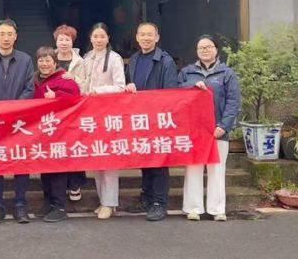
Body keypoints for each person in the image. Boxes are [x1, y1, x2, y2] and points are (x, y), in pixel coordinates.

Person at [0, 19, 35, 224]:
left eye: (10, 34)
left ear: (15, 37)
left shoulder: (25, 59)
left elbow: (29, 88)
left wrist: (14, 111)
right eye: (2, 34)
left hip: (19, 120)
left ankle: (20, 204)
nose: (6, 38)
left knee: (21, 161)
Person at [179, 35, 240, 222]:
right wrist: (192, 86)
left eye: (208, 47)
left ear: (216, 49)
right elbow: (177, 93)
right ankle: (193, 208)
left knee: (217, 170)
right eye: (201, 48)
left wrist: (224, 126)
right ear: (196, 51)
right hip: (194, 130)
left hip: (217, 130)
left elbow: (233, 102)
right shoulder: (187, 72)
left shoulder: (227, 73)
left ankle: (217, 209)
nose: (205, 50)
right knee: (193, 168)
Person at [125, 22, 179, 221]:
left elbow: (171, 93)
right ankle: (147, 199)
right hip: (140, 119)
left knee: (159, 162)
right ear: (137, 37)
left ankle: (159, 203)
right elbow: (128, 85)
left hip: (158, 119)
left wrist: (162, 117)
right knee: (145, 160)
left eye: (150, 35)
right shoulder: (134, 59)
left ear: (157, 37)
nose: (146, 38)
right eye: (142, 34)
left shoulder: (166, 61)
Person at [81, 23, 126, 220]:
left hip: (109, 114)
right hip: (90, 115)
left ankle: (110, 202)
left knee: (109, 160)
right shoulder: (86, 58)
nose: (98, 40)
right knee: (97, 158)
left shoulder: (114, 59)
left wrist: (98, 91)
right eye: (95, 36)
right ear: (90, 38)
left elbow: (120, 86)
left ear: (108, 38)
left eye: (102, 36)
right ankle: (103, 200)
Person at [33, 46, 81, 222]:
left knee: (58, 169)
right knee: (44, 168)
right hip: (41, 132)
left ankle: (60, 206)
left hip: (60, 132)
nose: (44, 64)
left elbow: (77, 100)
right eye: (41, 60)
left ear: (55, 62)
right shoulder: (34, 80)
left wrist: (57, 95)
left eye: (48, 60)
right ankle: (48, 202)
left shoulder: (65, 80)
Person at [53, 24, 87, 202]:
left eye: (67, 39)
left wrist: (75, 79)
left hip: (74, 111)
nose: (64, 43)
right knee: (57, 148)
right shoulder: (49, 58)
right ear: (56, 41)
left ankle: (75, 184)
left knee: (74, 147)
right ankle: (59, 186)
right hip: (54, 112)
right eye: (61, 39)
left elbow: (86, 85)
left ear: (72, 41)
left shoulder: (80, 62)